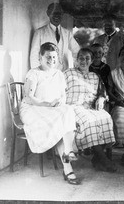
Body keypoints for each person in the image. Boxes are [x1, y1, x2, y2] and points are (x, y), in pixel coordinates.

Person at [20, 42, 80, 185]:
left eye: (54, 57)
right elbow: (28, 97)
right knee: (58, 123)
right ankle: (67, 167)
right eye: (47, 57)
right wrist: (46, 104)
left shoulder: (59, 74)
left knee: (68, 110)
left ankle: (68, 151)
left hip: (51, 108)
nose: (51, 60)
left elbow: (63, 96)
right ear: (40, 57)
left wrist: (59, 102)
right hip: (33, 108)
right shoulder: (34, 73)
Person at [64, 48, 117, 172]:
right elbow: (59, 91)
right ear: (77, 60)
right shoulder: (68, 73)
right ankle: (103, 159)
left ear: (92, 60)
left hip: (91, 107)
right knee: (89, 121)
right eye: (81, 58)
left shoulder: (95, 76)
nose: (84, 61)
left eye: (87, 58)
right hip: (73, 107)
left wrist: (101, 98)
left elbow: (103, 92)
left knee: (107, 118)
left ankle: (97, 157)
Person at [30, 3, 80, 71]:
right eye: (54, 13)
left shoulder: (67, 33)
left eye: (59, 13)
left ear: (62, 15)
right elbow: (34, 55)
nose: (57, 16)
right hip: (46, 73)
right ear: (48, 13)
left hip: (63, 72)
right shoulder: (39, 33)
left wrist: (77, 67)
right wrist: (38, 73)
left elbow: (77, 50)